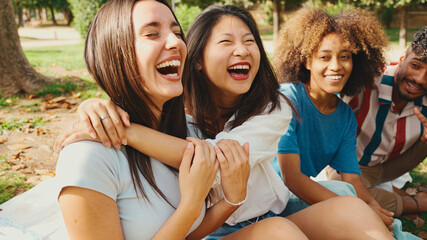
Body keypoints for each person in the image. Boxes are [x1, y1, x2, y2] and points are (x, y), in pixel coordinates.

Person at [56, 5, 394, 240]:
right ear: (198, 59)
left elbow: (213, 162)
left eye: (250, 41)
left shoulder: (274, 107)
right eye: (227, 42)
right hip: (217, 227)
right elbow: (204, 167)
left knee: (350, 209)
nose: (243, 51)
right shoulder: (175, 109)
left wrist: (126, 130)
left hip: (262, 213)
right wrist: (100, 110)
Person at [0, 1, 288, 239]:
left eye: (177, 32)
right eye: (152, 34)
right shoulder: (88, 155)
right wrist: (189, 207)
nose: (175, 41)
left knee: (278, 231)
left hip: (263, 216)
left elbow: (190, 233)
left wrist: (230, 200)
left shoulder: (182, 133)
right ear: (116, 51)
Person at [272, 7, 421, 240]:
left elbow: (352, 178)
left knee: (348, 192)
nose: (336, 66)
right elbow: (290, 177)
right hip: (271, 203)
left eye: (345, 56)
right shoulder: (286, 99)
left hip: (297, 199)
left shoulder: (345, 116)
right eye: (324, 57)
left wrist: (372, 204)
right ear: (306, 61)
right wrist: (358, 210)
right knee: (347, 200)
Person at [327, 26, 427, 217]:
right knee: (340, 192)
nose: (420, 79)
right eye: (416, 65)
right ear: (402, 58)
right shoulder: (364, 81)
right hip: (349, 165)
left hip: (392, 165)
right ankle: (417, 203)